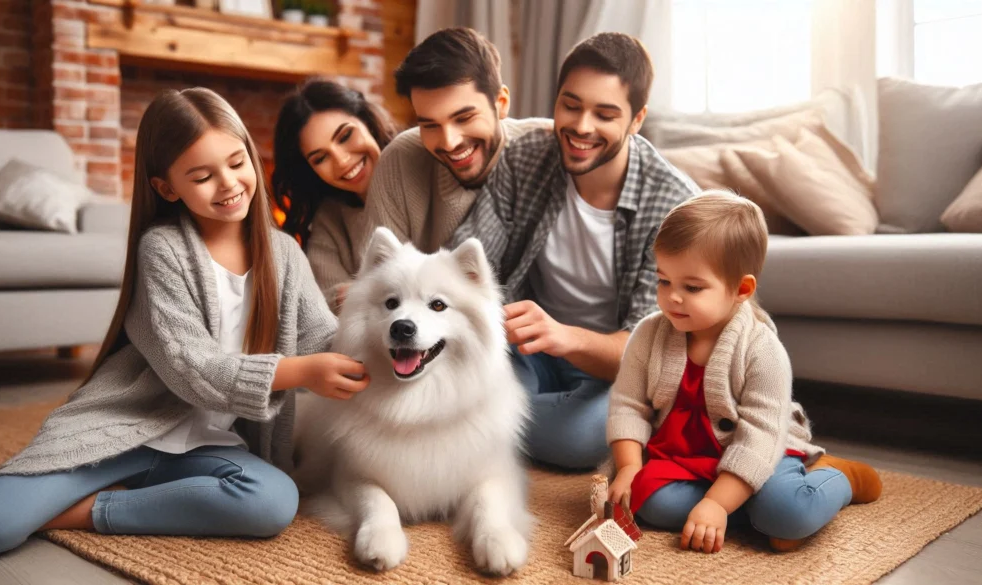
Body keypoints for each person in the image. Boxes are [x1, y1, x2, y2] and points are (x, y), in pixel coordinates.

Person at [0, 88, 370, 559]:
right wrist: (300, 372)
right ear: (167, 187)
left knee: (273, 501)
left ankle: (86, 510)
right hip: (123, 432)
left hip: (206, 447)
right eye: (203, 176)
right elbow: (190, 367)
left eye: (237, 162)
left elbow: (320, 336)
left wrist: (376, 332)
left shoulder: (284, 254)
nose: (229, 184)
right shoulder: (162, 250)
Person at [448, 32, 697, 470]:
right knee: (459, 379)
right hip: (528, 352)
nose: (581, 127)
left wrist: (564, 336)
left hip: (615, 371)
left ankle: (484, 429)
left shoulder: (673, 205)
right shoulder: (525, 158)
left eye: (604, 114)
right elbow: (469, 262)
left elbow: (648, 349)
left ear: (636, 120)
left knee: (575, 441)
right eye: (571, 105)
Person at [607, 191, 883, 554]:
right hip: (686, 456)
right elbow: (628, 405)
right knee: (654, 504)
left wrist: (717, 504)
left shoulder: (762, 349)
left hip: (763, 451)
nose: (672, 297)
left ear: (741, 289)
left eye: (691, 287)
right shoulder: (649, 334)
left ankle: (838, 477)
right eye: (663, 281)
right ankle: (751, 513)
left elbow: (760, 437)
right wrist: (628, 467)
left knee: (787, 515)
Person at [363, 27, 551, 255]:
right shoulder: (399, 160)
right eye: (430, 125)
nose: (449, 142)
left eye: (464, 118)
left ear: (501, 103)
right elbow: (379, 278)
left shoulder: (552, 147)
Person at [271, 79, 398, 312]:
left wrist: (359, 292)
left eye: (345, 136)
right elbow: (325, 302)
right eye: (320, 158)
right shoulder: (330, 217)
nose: (341, 161)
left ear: (368, 122)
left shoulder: (419, 170)